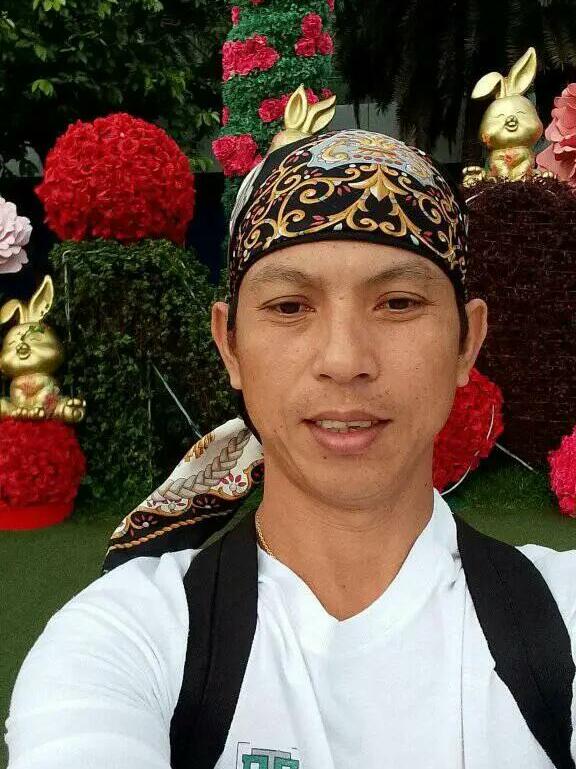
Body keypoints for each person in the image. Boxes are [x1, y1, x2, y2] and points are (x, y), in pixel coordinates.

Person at [5, 115, 576, 769]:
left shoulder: (561, 615)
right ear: (230, 345)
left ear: (467, 342)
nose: (344, 360)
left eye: (397, 303)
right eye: (289, 307)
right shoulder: (125, 635)